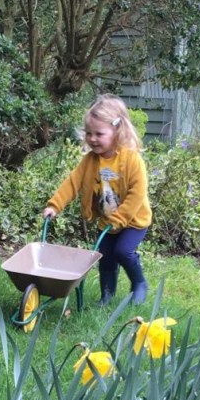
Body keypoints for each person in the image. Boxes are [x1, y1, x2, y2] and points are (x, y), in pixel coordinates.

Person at [43, 94, 151, 305]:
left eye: (99, 134)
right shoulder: (90, 161)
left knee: (123, 251)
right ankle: (107, 296)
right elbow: (72, 183)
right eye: (89, 133)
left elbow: (138, 192)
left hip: (133, 221)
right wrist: (54, 205)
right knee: (106, 258)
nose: (92, 139)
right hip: (107, 222)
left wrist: (119, 219)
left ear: (117, 132)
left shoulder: (131, 159)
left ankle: (139, 283)